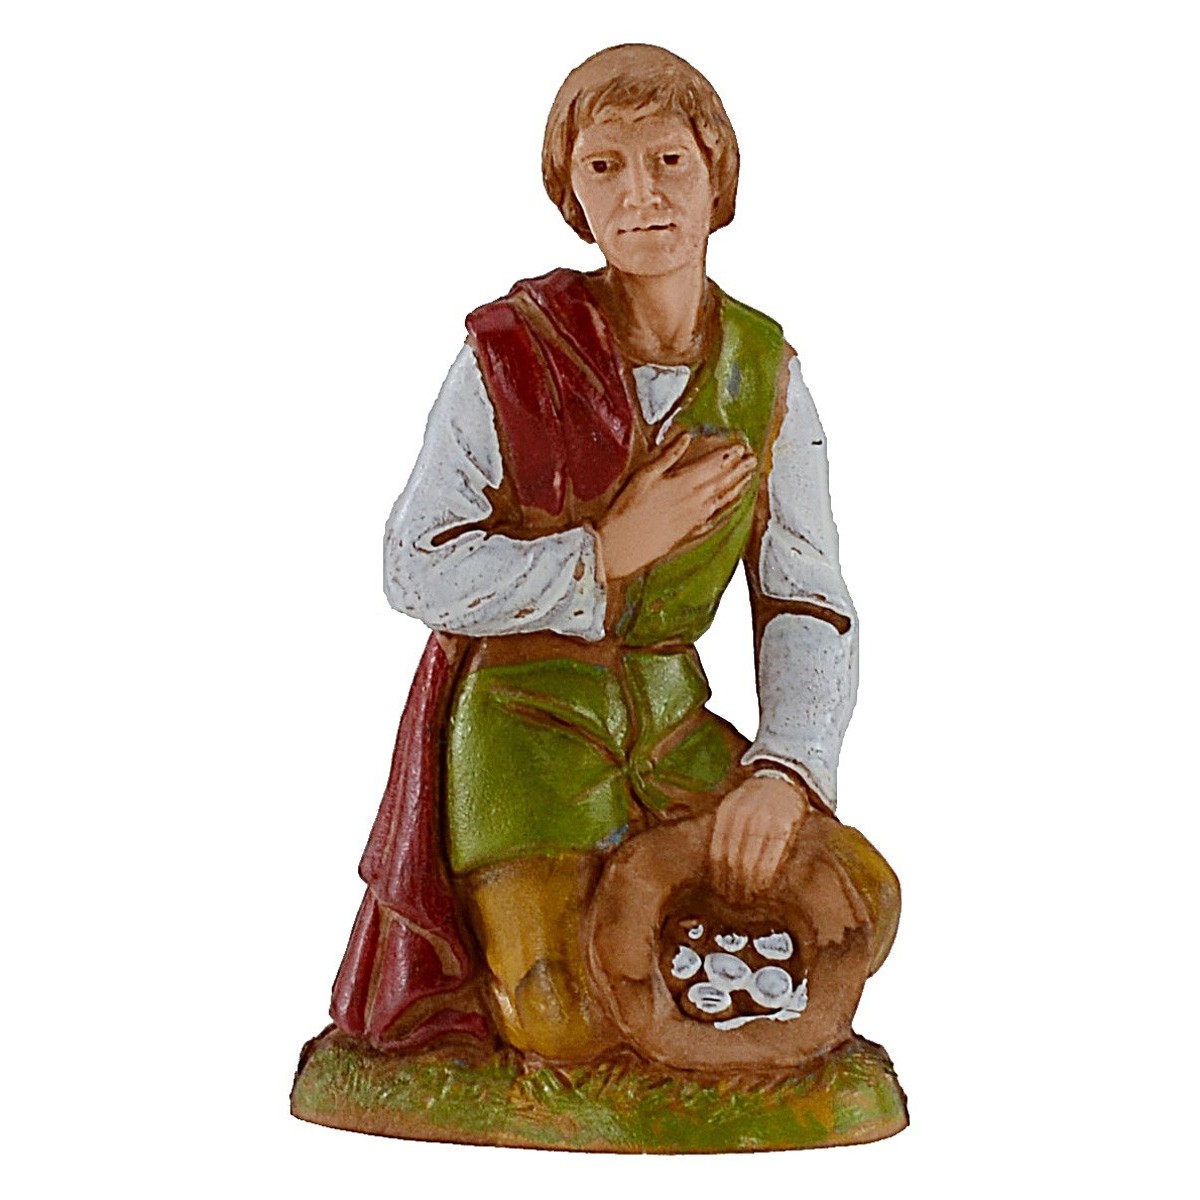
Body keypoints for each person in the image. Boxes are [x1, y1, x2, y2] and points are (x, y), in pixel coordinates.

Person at [328, 44, 878, 1063]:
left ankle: (715, 993)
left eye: (669, 161)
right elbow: (415, 564)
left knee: (851, 888)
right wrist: (604, 552)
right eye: (604, 167)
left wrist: (785, 767)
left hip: (671, 729)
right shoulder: (512, 354)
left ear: (717, 175)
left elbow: (806, 597)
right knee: (561, 1021)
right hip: (526, 736)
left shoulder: (766, 373)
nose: (641, 195)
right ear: (572, 194)